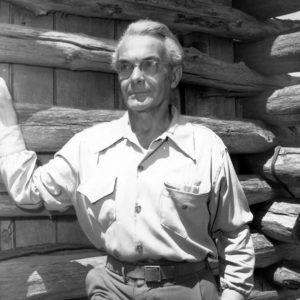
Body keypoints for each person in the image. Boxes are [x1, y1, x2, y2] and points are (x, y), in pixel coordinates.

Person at [0, 19, 254, 300]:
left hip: (185, 289)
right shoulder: (88, 146)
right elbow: (29, 191)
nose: (136, 76)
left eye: (150, 64)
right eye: (126, 67)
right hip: (111, 288)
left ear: (173, 76)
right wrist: (6, 122)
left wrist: (234, 295)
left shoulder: (205, 147)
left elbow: (234, 233)